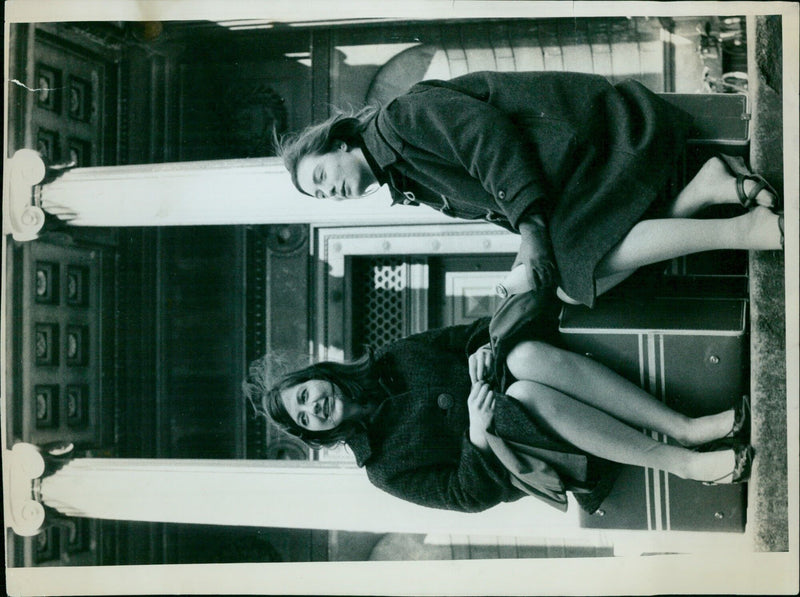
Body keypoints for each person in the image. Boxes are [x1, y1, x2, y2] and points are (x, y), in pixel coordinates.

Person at [277, 70, 783, 307]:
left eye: (321, 177)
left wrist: (533, 231)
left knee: (578, 268)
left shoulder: (399, 120)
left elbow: (490, 143)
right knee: (567, 285)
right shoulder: (406, 180)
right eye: (320, 197)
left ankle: (742, 228)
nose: (331, 192)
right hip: (564, 174)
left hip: (587, 137)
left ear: (340, 143)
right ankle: (706, 191)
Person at [244, 313, 753, 514]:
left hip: (545, 384)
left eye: (306, 394)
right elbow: (467, 497)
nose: (315, 406)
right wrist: (478, 433)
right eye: (307, 416)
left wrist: (478, 351)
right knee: (525, 392)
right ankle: (683, 464)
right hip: (537, 461)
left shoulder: (392, 358)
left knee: (523, 358)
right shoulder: (382, 468)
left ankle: (685, 428)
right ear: (318, 432)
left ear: (317, 375)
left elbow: (471, 330)